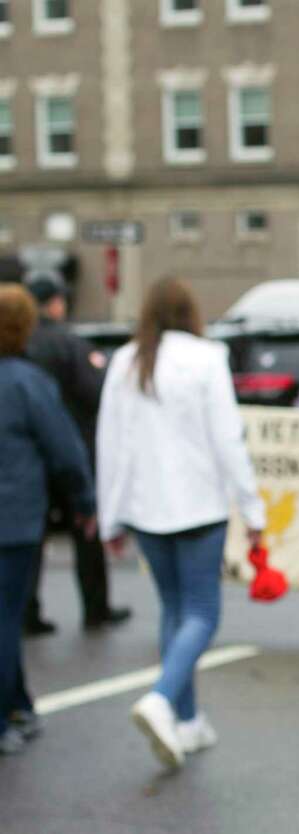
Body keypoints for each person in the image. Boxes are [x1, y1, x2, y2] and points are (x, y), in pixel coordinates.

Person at [96, 277, 265, 769]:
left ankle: (187, 722)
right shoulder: (205, 357)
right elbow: (227, 439)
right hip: (198, 506)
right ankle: (164, 698)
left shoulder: (126, 360)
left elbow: (111, 443)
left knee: (174, 610)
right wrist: (252, 510)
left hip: (147, 508)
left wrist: (111, 518)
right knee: (202, 614)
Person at [0, 285, 95, 755]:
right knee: (5, 617)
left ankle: (18, 703)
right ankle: (5, 717)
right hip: (14, 521)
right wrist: (84, 501)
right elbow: (65, 451)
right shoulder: (26, 382)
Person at [22, 270, 130, 636]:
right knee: (86, 532)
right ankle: (95, 608)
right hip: (73, 454)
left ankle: (28, 612)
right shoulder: (69, 344)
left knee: (30, 539)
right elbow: (99, 394)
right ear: (55, 303)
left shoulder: (17, 349)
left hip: (28, 462)